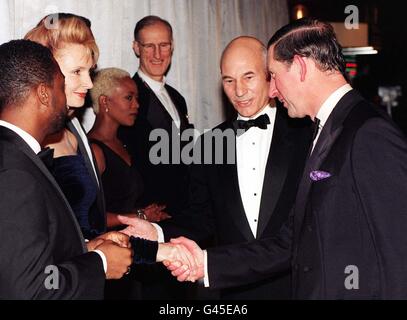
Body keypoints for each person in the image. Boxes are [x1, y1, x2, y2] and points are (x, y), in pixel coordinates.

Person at [165, 18, 407, 299]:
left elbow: (398, 250)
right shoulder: (330, 127)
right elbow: (291, 241)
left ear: (301, 67)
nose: (273, 90)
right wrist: (204, 263)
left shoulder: (368, 131)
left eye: (274, 76)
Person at [119, 36, 311, 299]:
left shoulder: (306, 133)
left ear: (269, 75)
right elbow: (201, 218)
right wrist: (157, 231)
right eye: (229, 80)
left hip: (298, 287)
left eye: (248, 77)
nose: (239, 91)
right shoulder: (211, 143)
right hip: (235, 291)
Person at [0, 39, 133, 299]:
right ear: (44, 94)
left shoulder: (16, 156)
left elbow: (17, 259)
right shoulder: (14, 173)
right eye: (62, 85)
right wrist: (101, 264)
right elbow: (29, 290)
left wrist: (84, 249)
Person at [118, 15, 194, 299]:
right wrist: (139, 212)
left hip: (182, 218)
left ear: (172, 47)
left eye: (164, 45)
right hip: (149, 220)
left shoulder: (177, 97)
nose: (157, 54)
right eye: (149, 46)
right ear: (136, 48)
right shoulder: (127, 96)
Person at [24, 14, 106, 239]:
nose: (89, 83)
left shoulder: (74, 129)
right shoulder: (26, 139)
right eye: (77, 72)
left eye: (90, 71)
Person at [88, 68, 170, 226]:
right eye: (128, 98)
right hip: (109, 245)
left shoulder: (123, 144)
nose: (137, 105)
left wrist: (144, 212)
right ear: (104, 101)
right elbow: (87, 217)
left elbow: (120, 203)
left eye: (136, 98)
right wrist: (141, 216)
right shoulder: (94, 150)